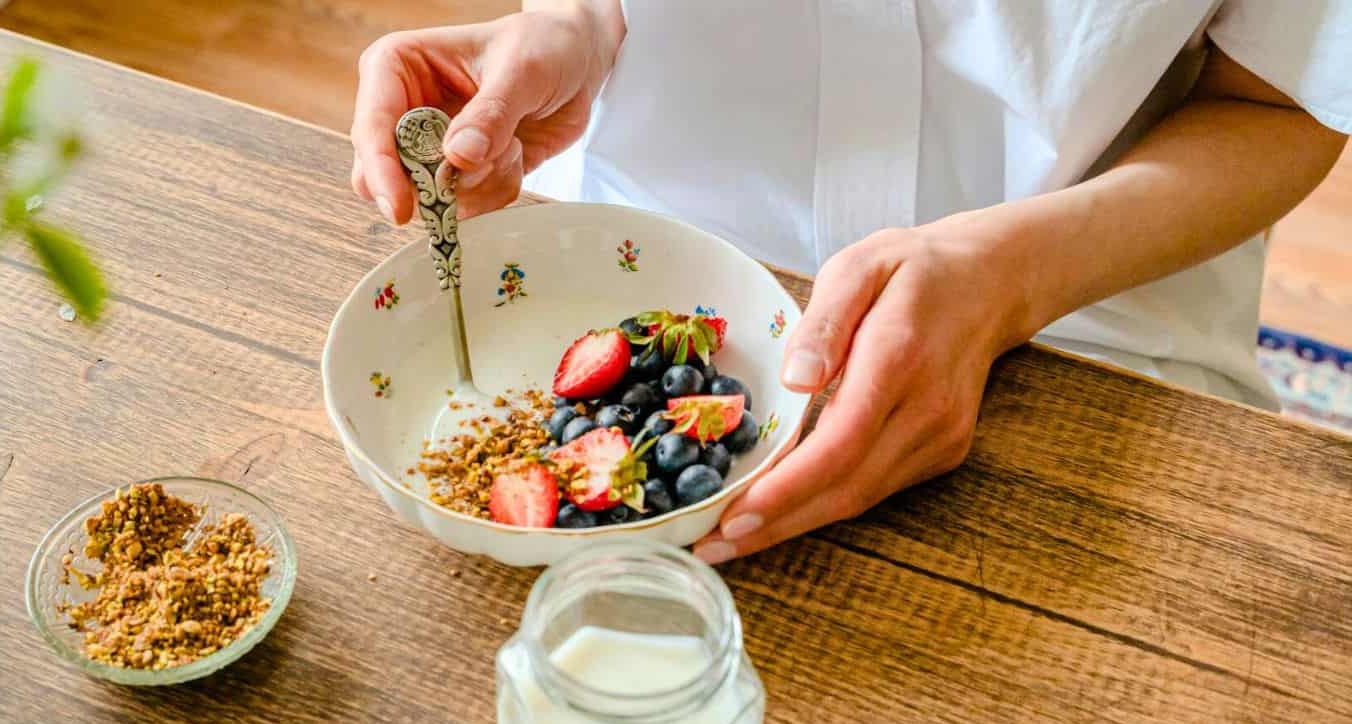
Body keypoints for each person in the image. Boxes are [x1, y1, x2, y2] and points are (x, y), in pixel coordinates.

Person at [348, 1, 1350, 564]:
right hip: (648, 281)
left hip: (1083, 338)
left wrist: (1007, 275)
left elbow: (1276, 106)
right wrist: (576, 23)